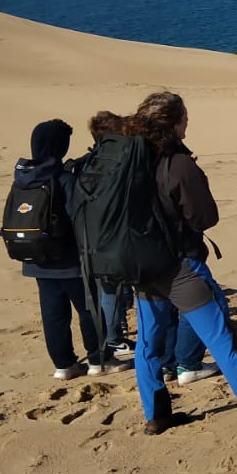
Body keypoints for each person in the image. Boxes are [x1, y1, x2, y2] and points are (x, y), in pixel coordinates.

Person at [129, 92, 237, 437]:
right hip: (181, 266)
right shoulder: (177, 163)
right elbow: (204, 217)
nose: (188, 122)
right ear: (174, 122)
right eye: (185, 117)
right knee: (222, 340)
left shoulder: (130, 161)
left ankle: (156, 415)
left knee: (149, 343)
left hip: (143, 266)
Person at [14, 119, 126, 379]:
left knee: (53, 314)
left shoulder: (22, 178)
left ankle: (64, 365)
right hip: (69, 260)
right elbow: (78, 217)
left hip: (36, 259)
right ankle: (99, 361)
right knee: (89, 310)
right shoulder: (64, 178)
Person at [86, 110, 134, 359]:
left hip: (89, 240)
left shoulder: (88, 162)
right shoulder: (115, 165)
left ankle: (114, 331)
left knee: (107, 289)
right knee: (109, 290)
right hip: (111, 239)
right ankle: (113, 337)